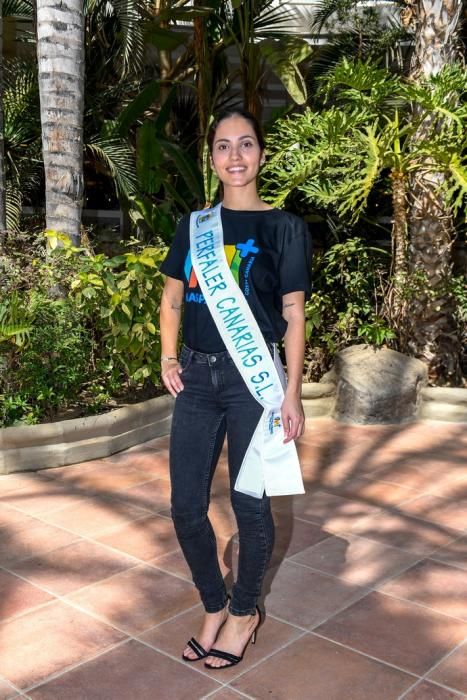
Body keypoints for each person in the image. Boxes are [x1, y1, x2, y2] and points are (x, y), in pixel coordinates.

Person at [159, 108, 312, 670]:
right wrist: (168, 355)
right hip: (196, 377)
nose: (236, 156)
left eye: (246, 144)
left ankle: (245, 612)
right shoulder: (193, 225)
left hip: (254, 383)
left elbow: (293, 315)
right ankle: (213, 602)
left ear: (261, 154)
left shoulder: (284, 228)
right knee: (185, 508)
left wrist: (292, 391)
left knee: (251, 506)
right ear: (213, 158)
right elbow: (173, 297)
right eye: (224, 146)